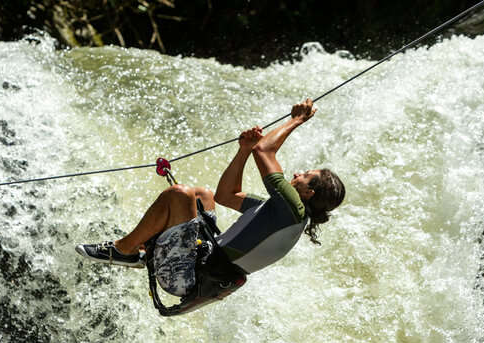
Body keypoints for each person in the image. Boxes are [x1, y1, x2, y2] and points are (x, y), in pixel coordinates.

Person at [76, 99, 345, 297]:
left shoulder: (293, 209)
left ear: (308, 192)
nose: (297, 173)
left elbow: (265, 150)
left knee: (179, 194)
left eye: (305, 175)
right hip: (192, 265)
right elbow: (226, 196)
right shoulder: (281, 213)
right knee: (202, 196)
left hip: (184, 276)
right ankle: (145, 250)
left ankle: (124, 249)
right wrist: (244, 150)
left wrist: (296, 120)